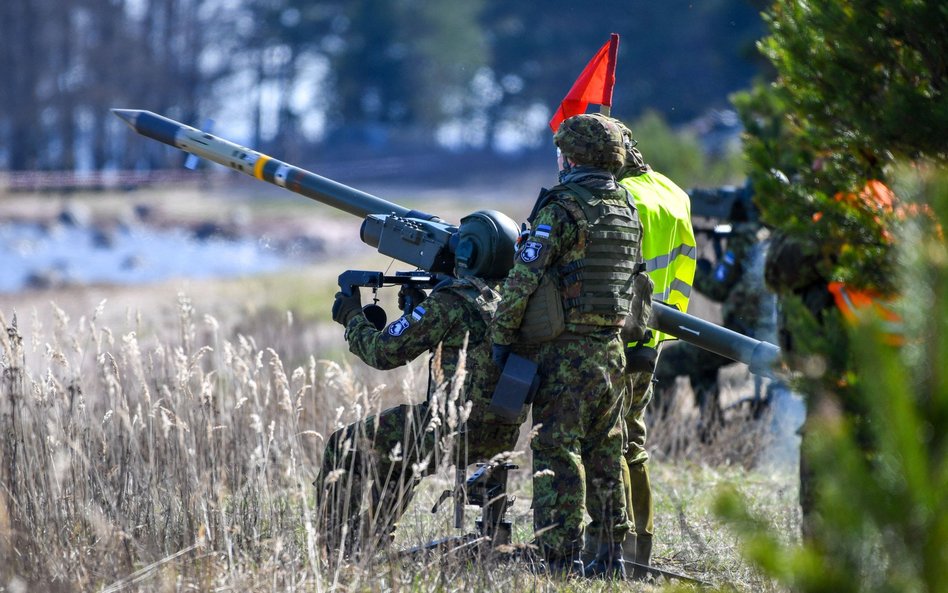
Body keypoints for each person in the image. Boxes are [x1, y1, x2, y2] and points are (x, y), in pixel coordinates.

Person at [315, 213, 523, 560]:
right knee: (396, 453)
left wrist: (352, 317)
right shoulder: (511, 300)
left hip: (451, 429)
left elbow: (384, 352)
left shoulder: (452, 303)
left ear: (469, 252)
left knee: (345, 445)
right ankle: (370, 545)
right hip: (501, 434)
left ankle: (337, 554)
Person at [491, 113, 642, 578]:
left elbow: (523, 279)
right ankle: (612, 556)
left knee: (558, 451)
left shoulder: (561, 208)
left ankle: (558, 558)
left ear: (572, 156)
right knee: (607, 451)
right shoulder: (626, 207)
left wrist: (500, 337)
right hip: (611, 351)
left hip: (567, 352)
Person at [599, 116, 697, 577]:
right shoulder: (674, 193)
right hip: (652, 337)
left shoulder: (621, 199)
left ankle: (608, 545)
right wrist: (660, 333)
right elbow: (683, 269)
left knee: (605, 439)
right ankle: (641, 548)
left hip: (613, 336)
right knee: (633, 442)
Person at [652, 184, 777, 440]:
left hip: (743, 336)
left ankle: (659, 436)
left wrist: (688, 264)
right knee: (701, 359)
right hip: (764, 334)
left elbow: (717, 288)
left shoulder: (747, 238)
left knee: (665, 363)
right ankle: (711, 429)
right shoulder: (772, 236)